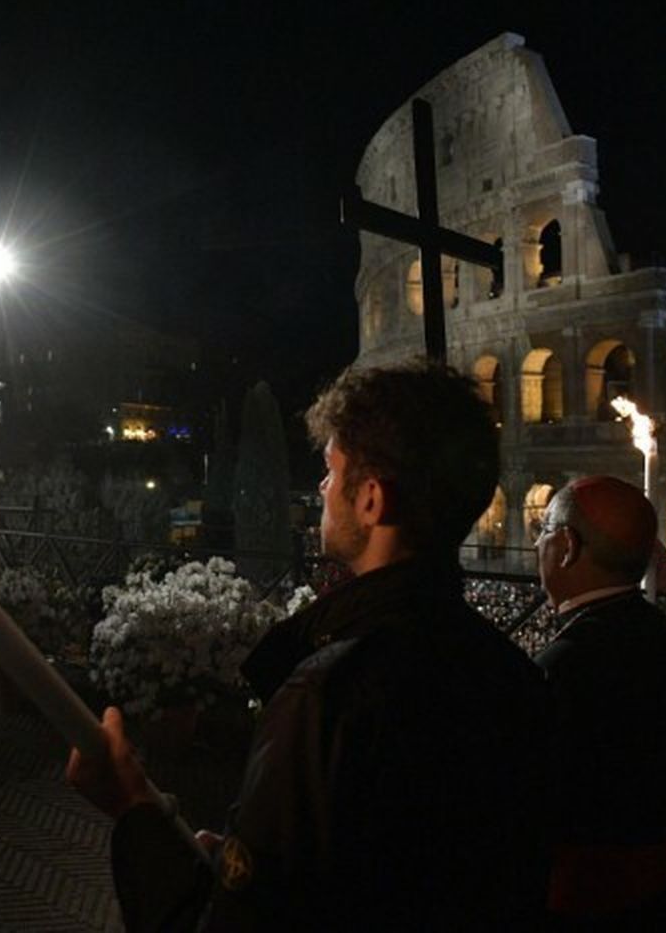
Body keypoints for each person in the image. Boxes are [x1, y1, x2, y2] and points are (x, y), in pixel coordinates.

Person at [67, 361, 552, 930]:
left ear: (371, 499)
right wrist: (243, 860)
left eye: (330, 469)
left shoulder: (329, 696)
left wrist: (134, 812)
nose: (321, 489)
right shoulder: (516, 676)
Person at [534, 475, 666, 929]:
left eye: (543, 530)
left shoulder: (564, 665)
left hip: (585, 896)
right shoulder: (665, 635)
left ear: (567, 546)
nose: (537, 542)